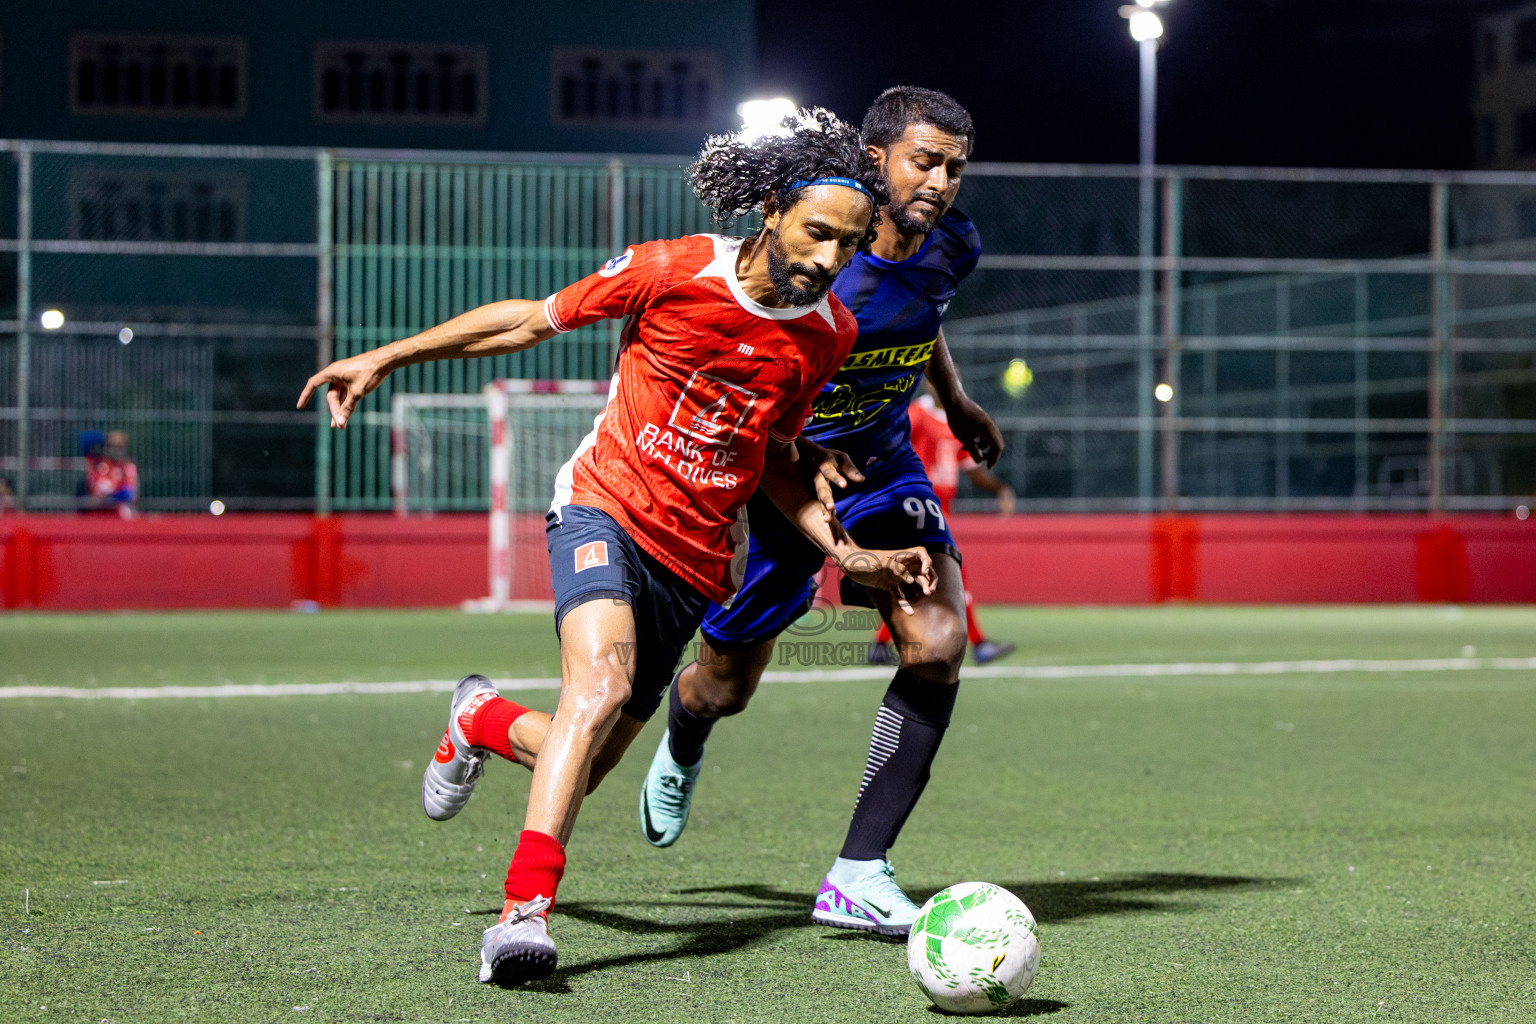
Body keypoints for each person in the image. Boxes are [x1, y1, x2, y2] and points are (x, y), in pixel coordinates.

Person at [298, 107, 935, 987]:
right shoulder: (671, 269)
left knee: (585, 760)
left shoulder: (829, 335)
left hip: (696, 560)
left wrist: (847, 551)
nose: (830, 259)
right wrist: (387, 357)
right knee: (594, 690)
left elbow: (776, 458)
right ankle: (522, 919)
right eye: (818, 233)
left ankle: (479, 717)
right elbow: (527, 322)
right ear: (772, 209)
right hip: (603, 510)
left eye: (850, 245)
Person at [636, 86, 1007, 936]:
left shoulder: (954, 243)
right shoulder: (818, 253)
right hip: (778, 475)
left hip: (881, 465)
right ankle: (686, 727)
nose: (942, 182)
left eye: (955, 167)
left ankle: (857, 872)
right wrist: (785, 455)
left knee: (937, 641)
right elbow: (747, 363)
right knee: (726, 686)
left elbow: (925, 316)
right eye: (925, 162)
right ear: (876, 159)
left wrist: (953, 399)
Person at [868, 390, 1016, 666]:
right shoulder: (917, 414)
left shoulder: (956, 419)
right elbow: (887, 449)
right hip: (919, 506)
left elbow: (970, 468)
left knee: (918, 576)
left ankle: (879, 646)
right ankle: (980, 644)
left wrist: (999, 489)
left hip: (939, 510)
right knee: (952, 573)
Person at [81, 430, 139, 518]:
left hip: (116, 513)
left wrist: (106, 499)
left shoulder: (127, 467)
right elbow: (84, 439)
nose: (116, 450)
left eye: (119, 447)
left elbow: (129, 494)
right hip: (95, 513)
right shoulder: (96, 463)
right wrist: (105, 437)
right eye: (112, 446)